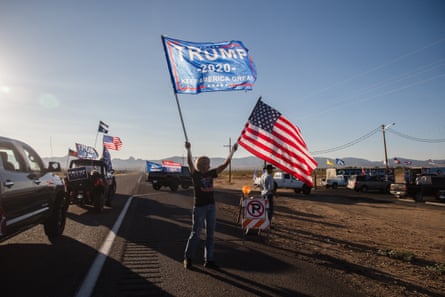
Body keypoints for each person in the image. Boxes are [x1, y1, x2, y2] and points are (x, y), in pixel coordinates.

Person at [183, 140, 238, 270]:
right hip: (200, 208)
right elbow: (190, 163)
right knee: (196, 233)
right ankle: (188, 258)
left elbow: (225, 164)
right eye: (208, 163)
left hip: (211, 207)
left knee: (210, 234)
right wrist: (188, 150)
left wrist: (232, 152)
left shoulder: (211, 173)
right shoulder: (195, 175)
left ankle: (209, 260)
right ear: (202, 165)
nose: (210, 165)